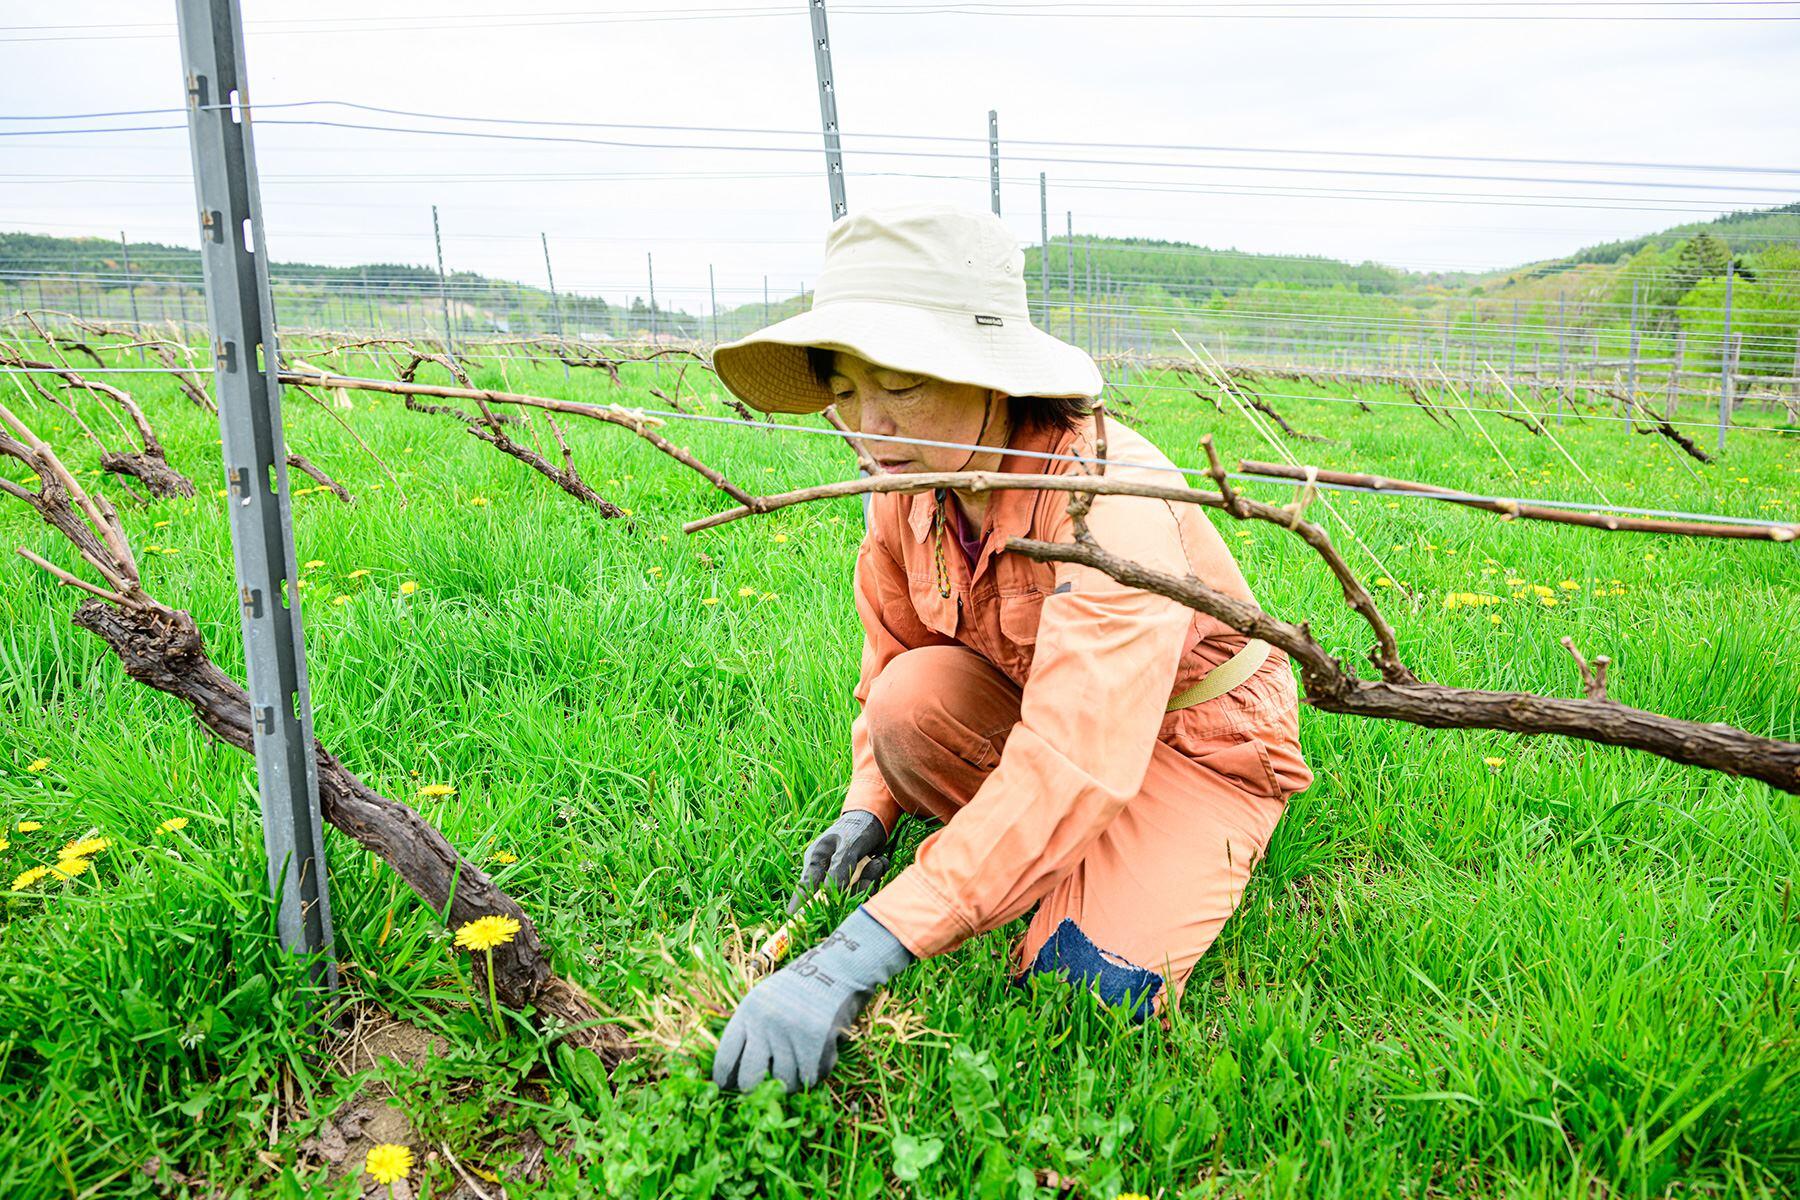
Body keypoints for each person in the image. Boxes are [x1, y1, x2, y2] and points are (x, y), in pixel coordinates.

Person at [706, 204, 1312, 1094]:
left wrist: (855, 954)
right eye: (843, 388)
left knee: (1085, 990)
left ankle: (1120, 855)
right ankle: (1024, 858)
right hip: (1046, 723)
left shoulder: (1107, 499)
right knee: (908, 704)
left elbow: (1072, 756)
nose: (868, 426)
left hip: (1194, 747)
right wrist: (868, 806)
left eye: (902, 384)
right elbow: (893, 658)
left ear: (987, 371)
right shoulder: (908, 482)